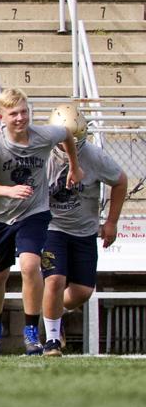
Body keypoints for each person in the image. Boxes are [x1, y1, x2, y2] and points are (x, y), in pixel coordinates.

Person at [0, 87, 82, 356]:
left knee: (30, 265)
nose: (20, 118)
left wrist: (74, 166)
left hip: (33, 212)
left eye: (23, 112)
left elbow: (67, 134)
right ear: (1, 117)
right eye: (13, 114)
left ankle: (32, 333)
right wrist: (8, 191)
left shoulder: (43, 135)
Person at [40, 103, 128, 356]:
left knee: (83, 292)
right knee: (55, 280)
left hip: (84, 230)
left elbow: (120, 181)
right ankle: (52, 340)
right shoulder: (42, 155)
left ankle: (54, 314)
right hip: (52, 227)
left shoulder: (94, 157)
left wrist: (111, 222)